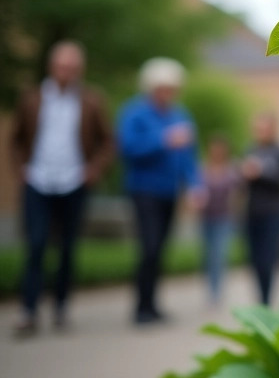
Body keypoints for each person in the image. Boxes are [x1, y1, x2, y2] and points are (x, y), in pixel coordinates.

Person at [9, 41, 114, 335]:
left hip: (73, 182)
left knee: (68, 247)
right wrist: (21, 170)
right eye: (61, 66)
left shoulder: (91, 100)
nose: (66, 72)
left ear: (79, 70)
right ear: (51, 67)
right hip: (37, 180)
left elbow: (107, 142)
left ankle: (61, 305)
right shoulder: (32, 98)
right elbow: (15, 139)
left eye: (72, 67)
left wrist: (93, 170)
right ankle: (28, 310)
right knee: (36, 244)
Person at [118, 58, 200, 325]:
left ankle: (153, 304)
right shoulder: (135, 113)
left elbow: (189, 156)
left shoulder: (181, 115)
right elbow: (128, 149)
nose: (168, 93)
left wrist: (196, 186)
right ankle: (141, 306)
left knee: (161, 248)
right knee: (149, 247)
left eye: (172, 88)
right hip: (144, 190)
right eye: (162, 88)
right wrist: (163, 140)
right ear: (151, 87)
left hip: (169, 191)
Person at [241, 112, 279, 305]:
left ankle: (266, 300)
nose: (259, 132)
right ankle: (260, 297)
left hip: (273, 213)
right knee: (253, 260)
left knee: (267, 260)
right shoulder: (250, 150)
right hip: (252, 212)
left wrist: (260, 172)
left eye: (263, 128)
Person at [200, 135, 239, 307]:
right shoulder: (203, 169)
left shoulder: (230, 171)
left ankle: (216, 292)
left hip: (223, 218)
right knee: (207, 255)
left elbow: (237, 194)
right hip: (205, 218)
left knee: (218, 255)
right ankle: (210, 288)